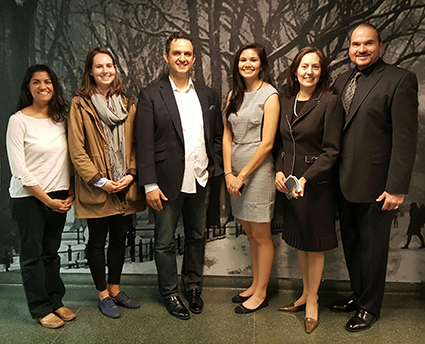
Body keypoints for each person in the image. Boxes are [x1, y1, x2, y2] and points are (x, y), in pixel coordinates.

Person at [330, 23, 418, 332]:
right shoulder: (341, 82)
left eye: (368, 44)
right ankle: (358, 295)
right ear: (349, 48)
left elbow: (406, 139)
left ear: (380, 46)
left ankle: (370, 307)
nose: (361, 49)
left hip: (379, 185)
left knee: (373, 249)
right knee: (352, 245)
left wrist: (396, 187)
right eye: (356, 44)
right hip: (343, 181)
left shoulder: (400, 80)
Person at [136, 31, 223, 320]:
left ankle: (193, 286)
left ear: (194, 58)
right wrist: (149, 183)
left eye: (187, 54)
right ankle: (170, 292)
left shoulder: (208, 94)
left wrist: (214, 167)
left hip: (200, 179)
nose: (182, 58)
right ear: (166, 57)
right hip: (165, 183)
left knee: (197, 236)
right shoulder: (151, 94)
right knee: (164, 242)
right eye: (176, 53)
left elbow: (216, 136)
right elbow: (144, 142)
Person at [68, 47, 145, 319]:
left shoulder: (127, 104)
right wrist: (100, 181)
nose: (105, 71)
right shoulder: (81, 104)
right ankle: (102, 295)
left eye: (109, 65)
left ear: (115, 69)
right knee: (97, 242)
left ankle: (115, 290)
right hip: (97, 189)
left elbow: (135, 145)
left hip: (125, 187)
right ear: (90, 71)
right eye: (99, 66)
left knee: (119, 240)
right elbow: (77, 150)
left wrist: (131, 173)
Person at [274, 47, 343, 333]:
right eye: (304, 66)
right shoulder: (285, 99)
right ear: (295, 70)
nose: (309, 71)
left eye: (315, 67)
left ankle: (313, 300)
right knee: (301, 242)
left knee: (314, 246)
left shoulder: (330, 102)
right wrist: (279, 170)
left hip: (316, 186)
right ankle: (304, 293)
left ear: (321, 71)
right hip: (289, 184)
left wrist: (306, 179)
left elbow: (331, 151)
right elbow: (280, 145)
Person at [6, 64, 76, 328]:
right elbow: (19, 170)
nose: (43, 86)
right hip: (29, 199)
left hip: (58, 195)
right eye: (36, 82)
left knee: (51, 253)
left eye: (47, 82)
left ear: (54, 86)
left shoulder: (61, 120)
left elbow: (68, 159)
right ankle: (40, 308)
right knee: (33, 255)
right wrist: (47, 201)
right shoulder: (18, 121)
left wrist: (69, 191)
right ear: (28, 88)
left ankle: (56, 301)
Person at [223, 43, 280, 314]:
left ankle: (261, 293)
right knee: (248, 231)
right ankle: (255, 284)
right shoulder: (233, 95)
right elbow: (227, 136)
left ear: (261, 64)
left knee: (261, 233)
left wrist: (242, 176)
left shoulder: (270, 95)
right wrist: (228, 174)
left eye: (253, 59)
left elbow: (268, 143)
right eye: (242, 59)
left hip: (257, 174)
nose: (247, 64)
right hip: (234, 173)